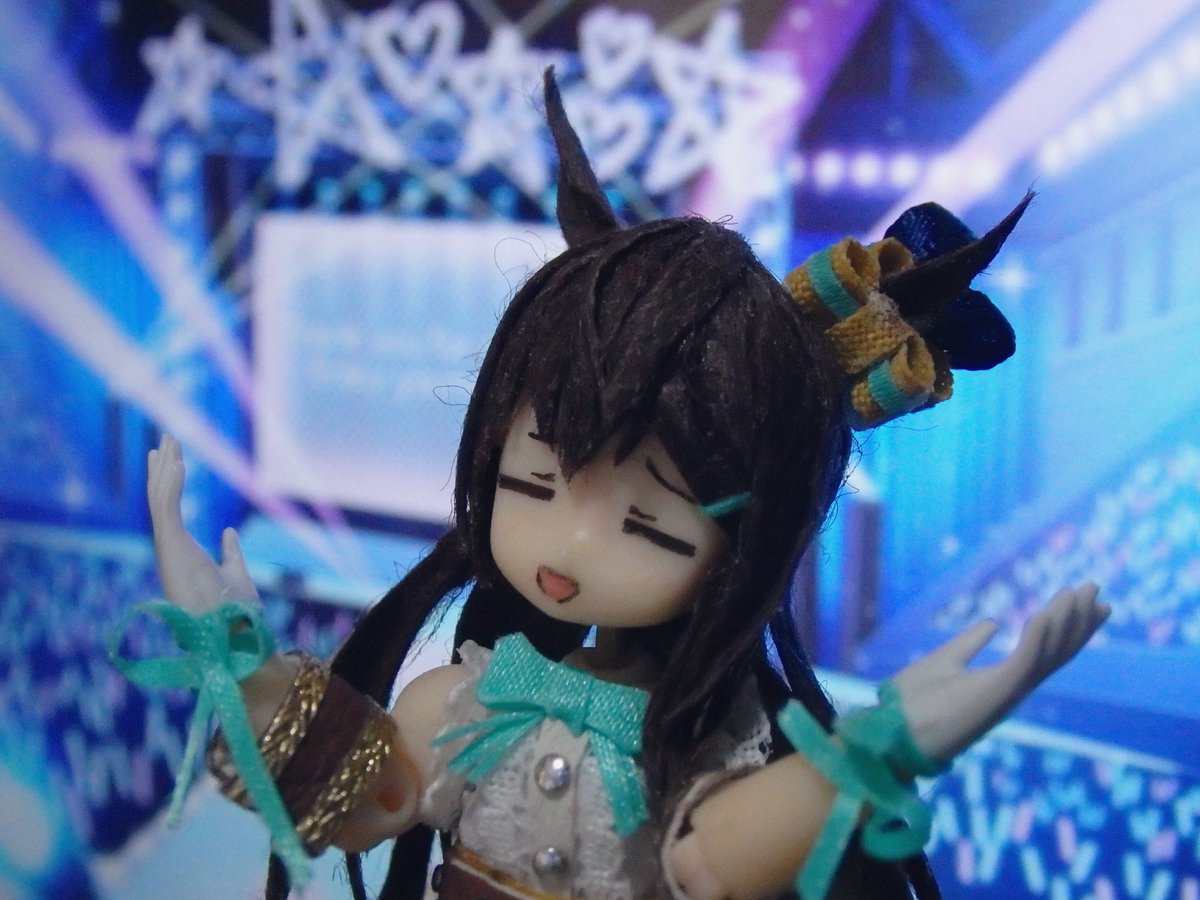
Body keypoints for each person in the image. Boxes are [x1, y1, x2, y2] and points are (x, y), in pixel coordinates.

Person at [133, 72, 1108, 900]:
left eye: (649, 523)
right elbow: (359, 803)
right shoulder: (469, 698)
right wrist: (237, 665)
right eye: (532, 481)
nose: (569, 543)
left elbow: (711, 863)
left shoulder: (700, 744)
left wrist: (877, 751)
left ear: (750, 545)